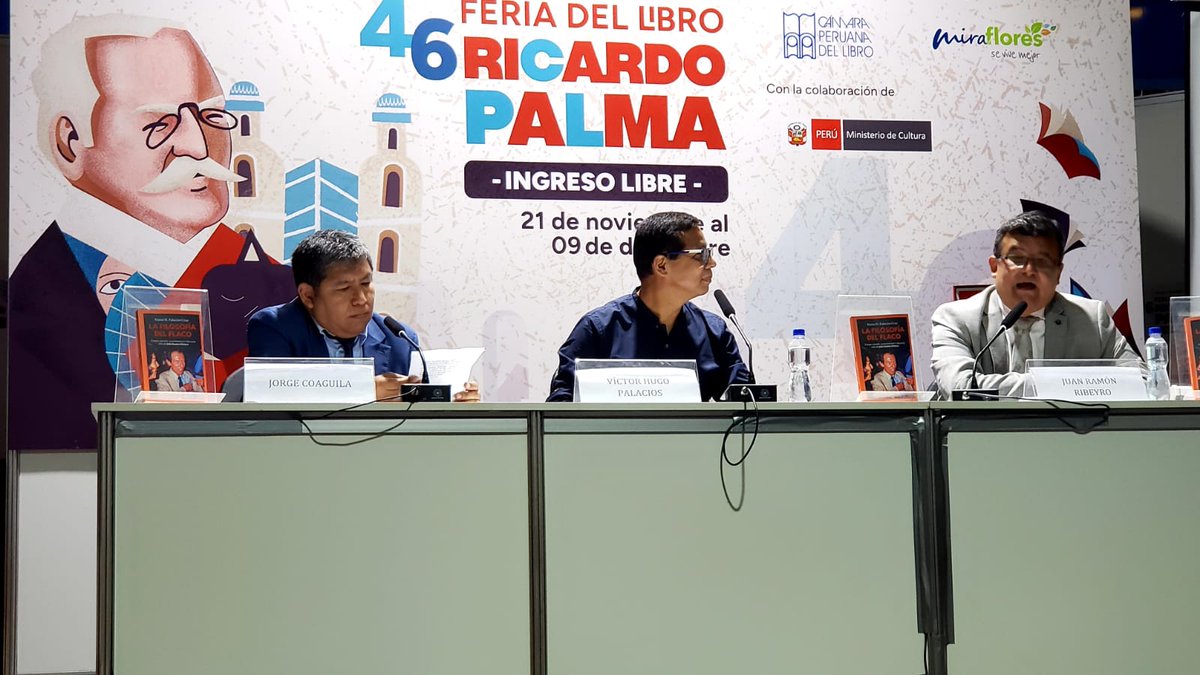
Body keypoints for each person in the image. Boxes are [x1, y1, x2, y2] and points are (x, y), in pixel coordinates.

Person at [10, 16, 261, 448]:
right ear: (71, 143)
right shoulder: (37, 313)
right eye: (158, 123)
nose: (198, 147)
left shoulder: (250, 272)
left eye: (211, 115)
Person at [247, 230, 480, 402]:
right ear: (308, 296)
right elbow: (271, 398)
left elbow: (418, 415)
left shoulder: (398, 337)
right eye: (344, 288)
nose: (361, 298)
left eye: (366, 283)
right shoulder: (274, 327)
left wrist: (456, 404)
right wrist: (362, 391)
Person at [547, 211, 751, 401]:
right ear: (661, 265)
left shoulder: (714, 331)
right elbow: (559, 409)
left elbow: (748, 407)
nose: (712, 263)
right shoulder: (598, 329)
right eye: (701, 255)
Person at [931, 211, 1138, 398]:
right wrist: (1066, 385)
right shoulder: (956, 319)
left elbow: (1141, 381)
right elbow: (961, 388)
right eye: (1017, 258)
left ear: (1058, 273)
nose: (1029, 270)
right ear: (994, 267)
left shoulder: (1092, 319)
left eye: (1043, 261)